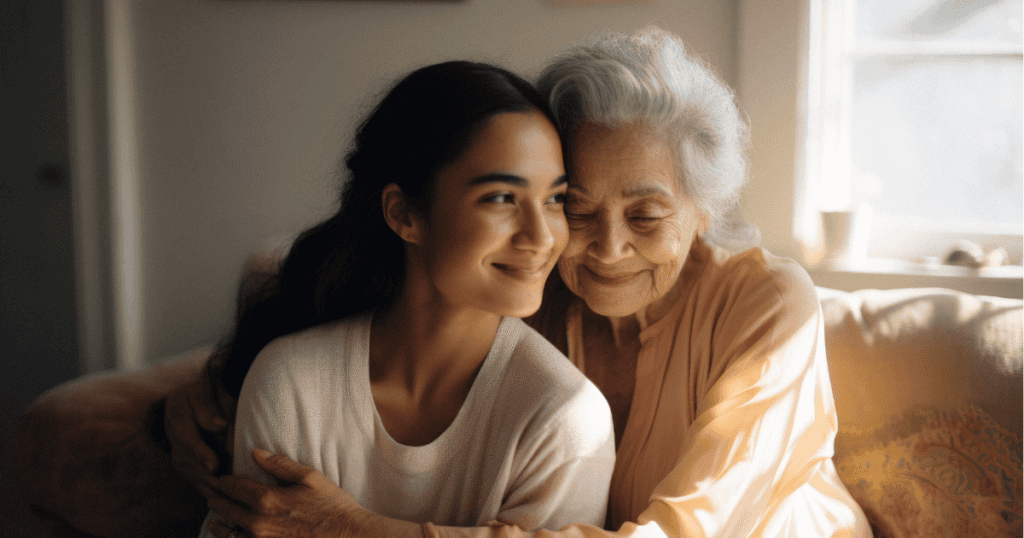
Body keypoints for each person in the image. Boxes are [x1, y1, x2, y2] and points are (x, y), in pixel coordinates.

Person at [177, 28, 873, 538]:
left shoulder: (768, 304)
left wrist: (359, 530)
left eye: (646, 215)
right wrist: (186, 409)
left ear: (704, 211)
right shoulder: (531, 284)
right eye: (577, 207)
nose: (607, 248)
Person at [194, 60, 616, 538]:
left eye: (555, 199)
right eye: (502, 198)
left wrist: (347, 529)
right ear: (403, 214)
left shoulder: (566, 418)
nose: (541, 237)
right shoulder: (291, 384)